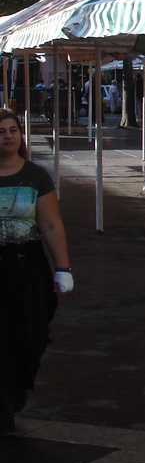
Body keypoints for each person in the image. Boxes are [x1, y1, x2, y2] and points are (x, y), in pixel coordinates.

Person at [0, 110, 72, 431]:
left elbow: (51, 224)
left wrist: (63, 268)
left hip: (27, 266)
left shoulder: (36, 176)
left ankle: (17, 384)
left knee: (30, 335)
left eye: (13, 130)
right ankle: (4, 404)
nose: (8, 136)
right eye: (1, 131)